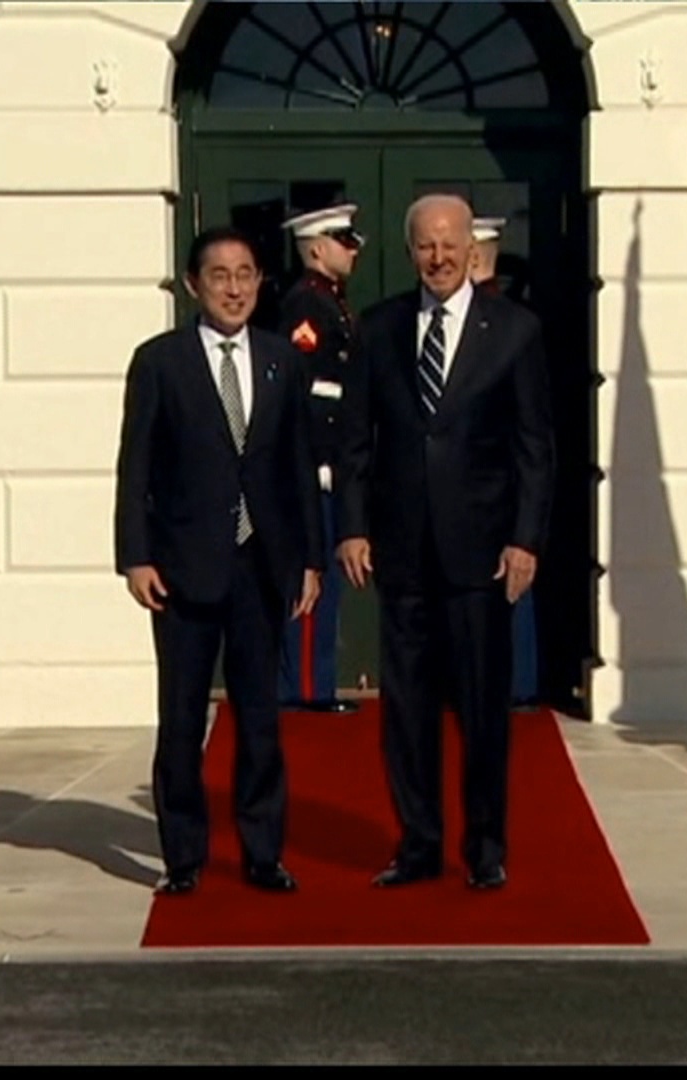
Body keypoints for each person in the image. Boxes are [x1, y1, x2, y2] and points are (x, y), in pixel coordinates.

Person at [338, 194, 556, 890]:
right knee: (406, 713)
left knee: (483, 710)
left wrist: (525, 540)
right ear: (410, 252)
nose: (438, 258)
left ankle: (485, 849)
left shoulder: (514, 331)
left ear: (472, 249)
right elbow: (354, 440)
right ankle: (418, 845)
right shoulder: (379, 328)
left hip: (482, 555)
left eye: (449, 244)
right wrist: (351, 526)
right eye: (426, 246)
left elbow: (534, 448)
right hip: (401, 552)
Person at [114, 225, 324, 895]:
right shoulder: (160, 361)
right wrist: (135, 557)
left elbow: (297, 465)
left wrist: (309, 559)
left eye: (245, 274)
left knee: (260, 719)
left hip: (261, 565)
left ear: (260, 281)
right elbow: (135, 467)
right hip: (182, 568)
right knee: (181, 720)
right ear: (193, 285)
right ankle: (183, 858)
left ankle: (263, 853)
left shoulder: (281, 360)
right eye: (220, 276)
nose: (234, 288)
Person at [275, 203, 364, 715]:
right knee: (312, 580)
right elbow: (310, 395)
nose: (352, 250)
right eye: (342, 240)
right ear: (315, 248)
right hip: (313, 467)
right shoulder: (307, 306)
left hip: (329, 466)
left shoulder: (332, 302)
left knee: (324, 581)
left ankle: (315, 684)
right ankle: (305, 688)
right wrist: (320, 461)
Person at [468, 216, 540, 709]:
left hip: (499, 479)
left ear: (474, 256)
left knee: (508, 581)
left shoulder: (503, 322)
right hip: (480, 481)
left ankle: (514, 681)